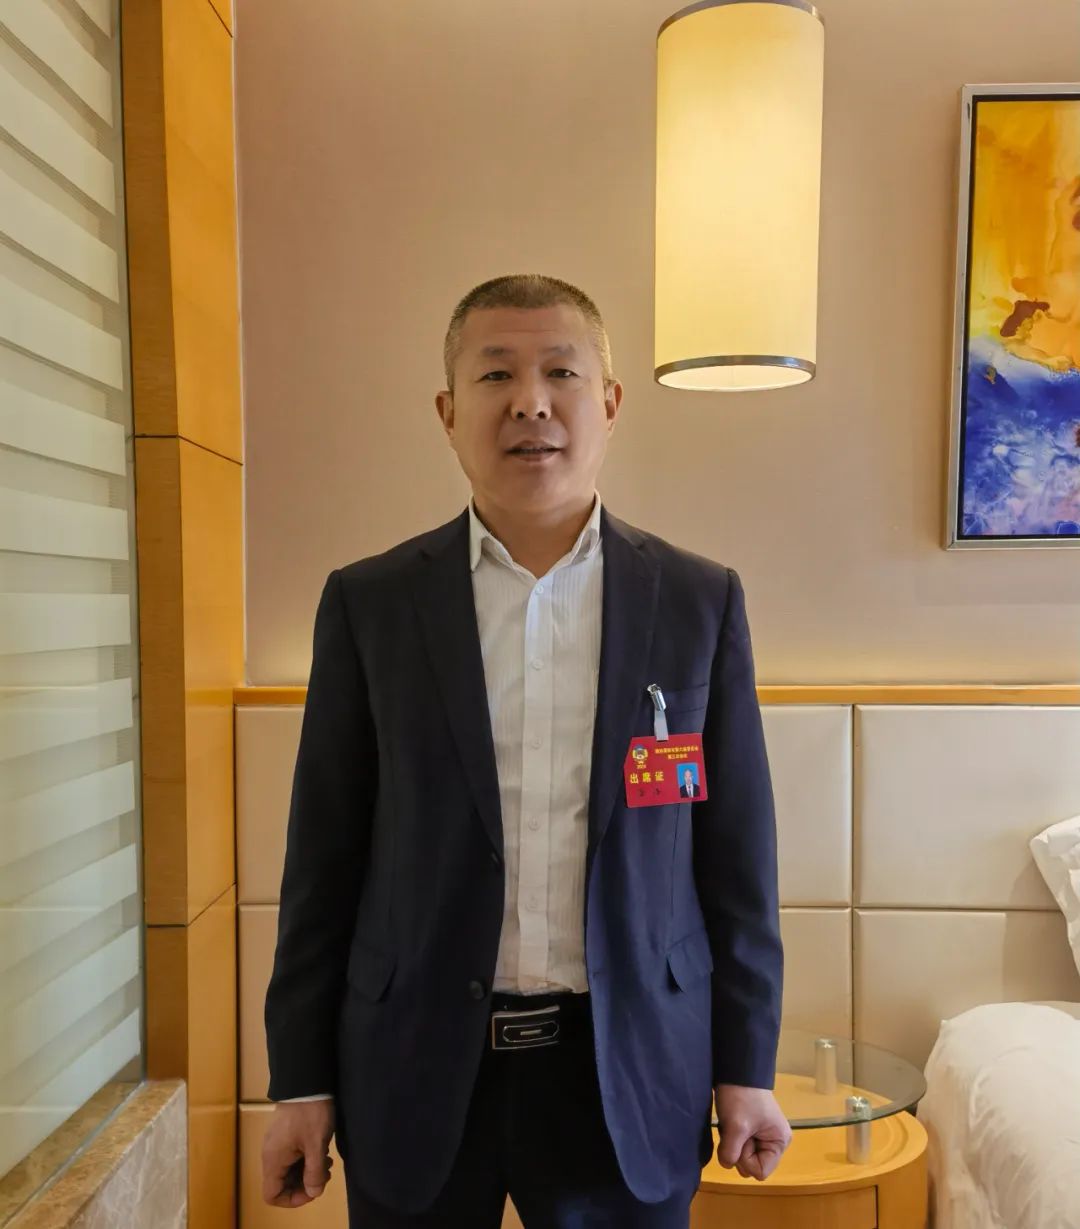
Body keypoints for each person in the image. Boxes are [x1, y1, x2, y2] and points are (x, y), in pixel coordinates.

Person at [261, 274, 789, 1228]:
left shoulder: (698, 601)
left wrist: (746, 1065)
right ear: (448, 412)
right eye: (496, 373)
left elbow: (737, 863)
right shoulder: (370, 604)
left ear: (610, 403)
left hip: (627, 1067)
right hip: (416, 1063)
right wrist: (299, 1078)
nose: (530, 402)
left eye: (561, 373)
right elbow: (322, 865)